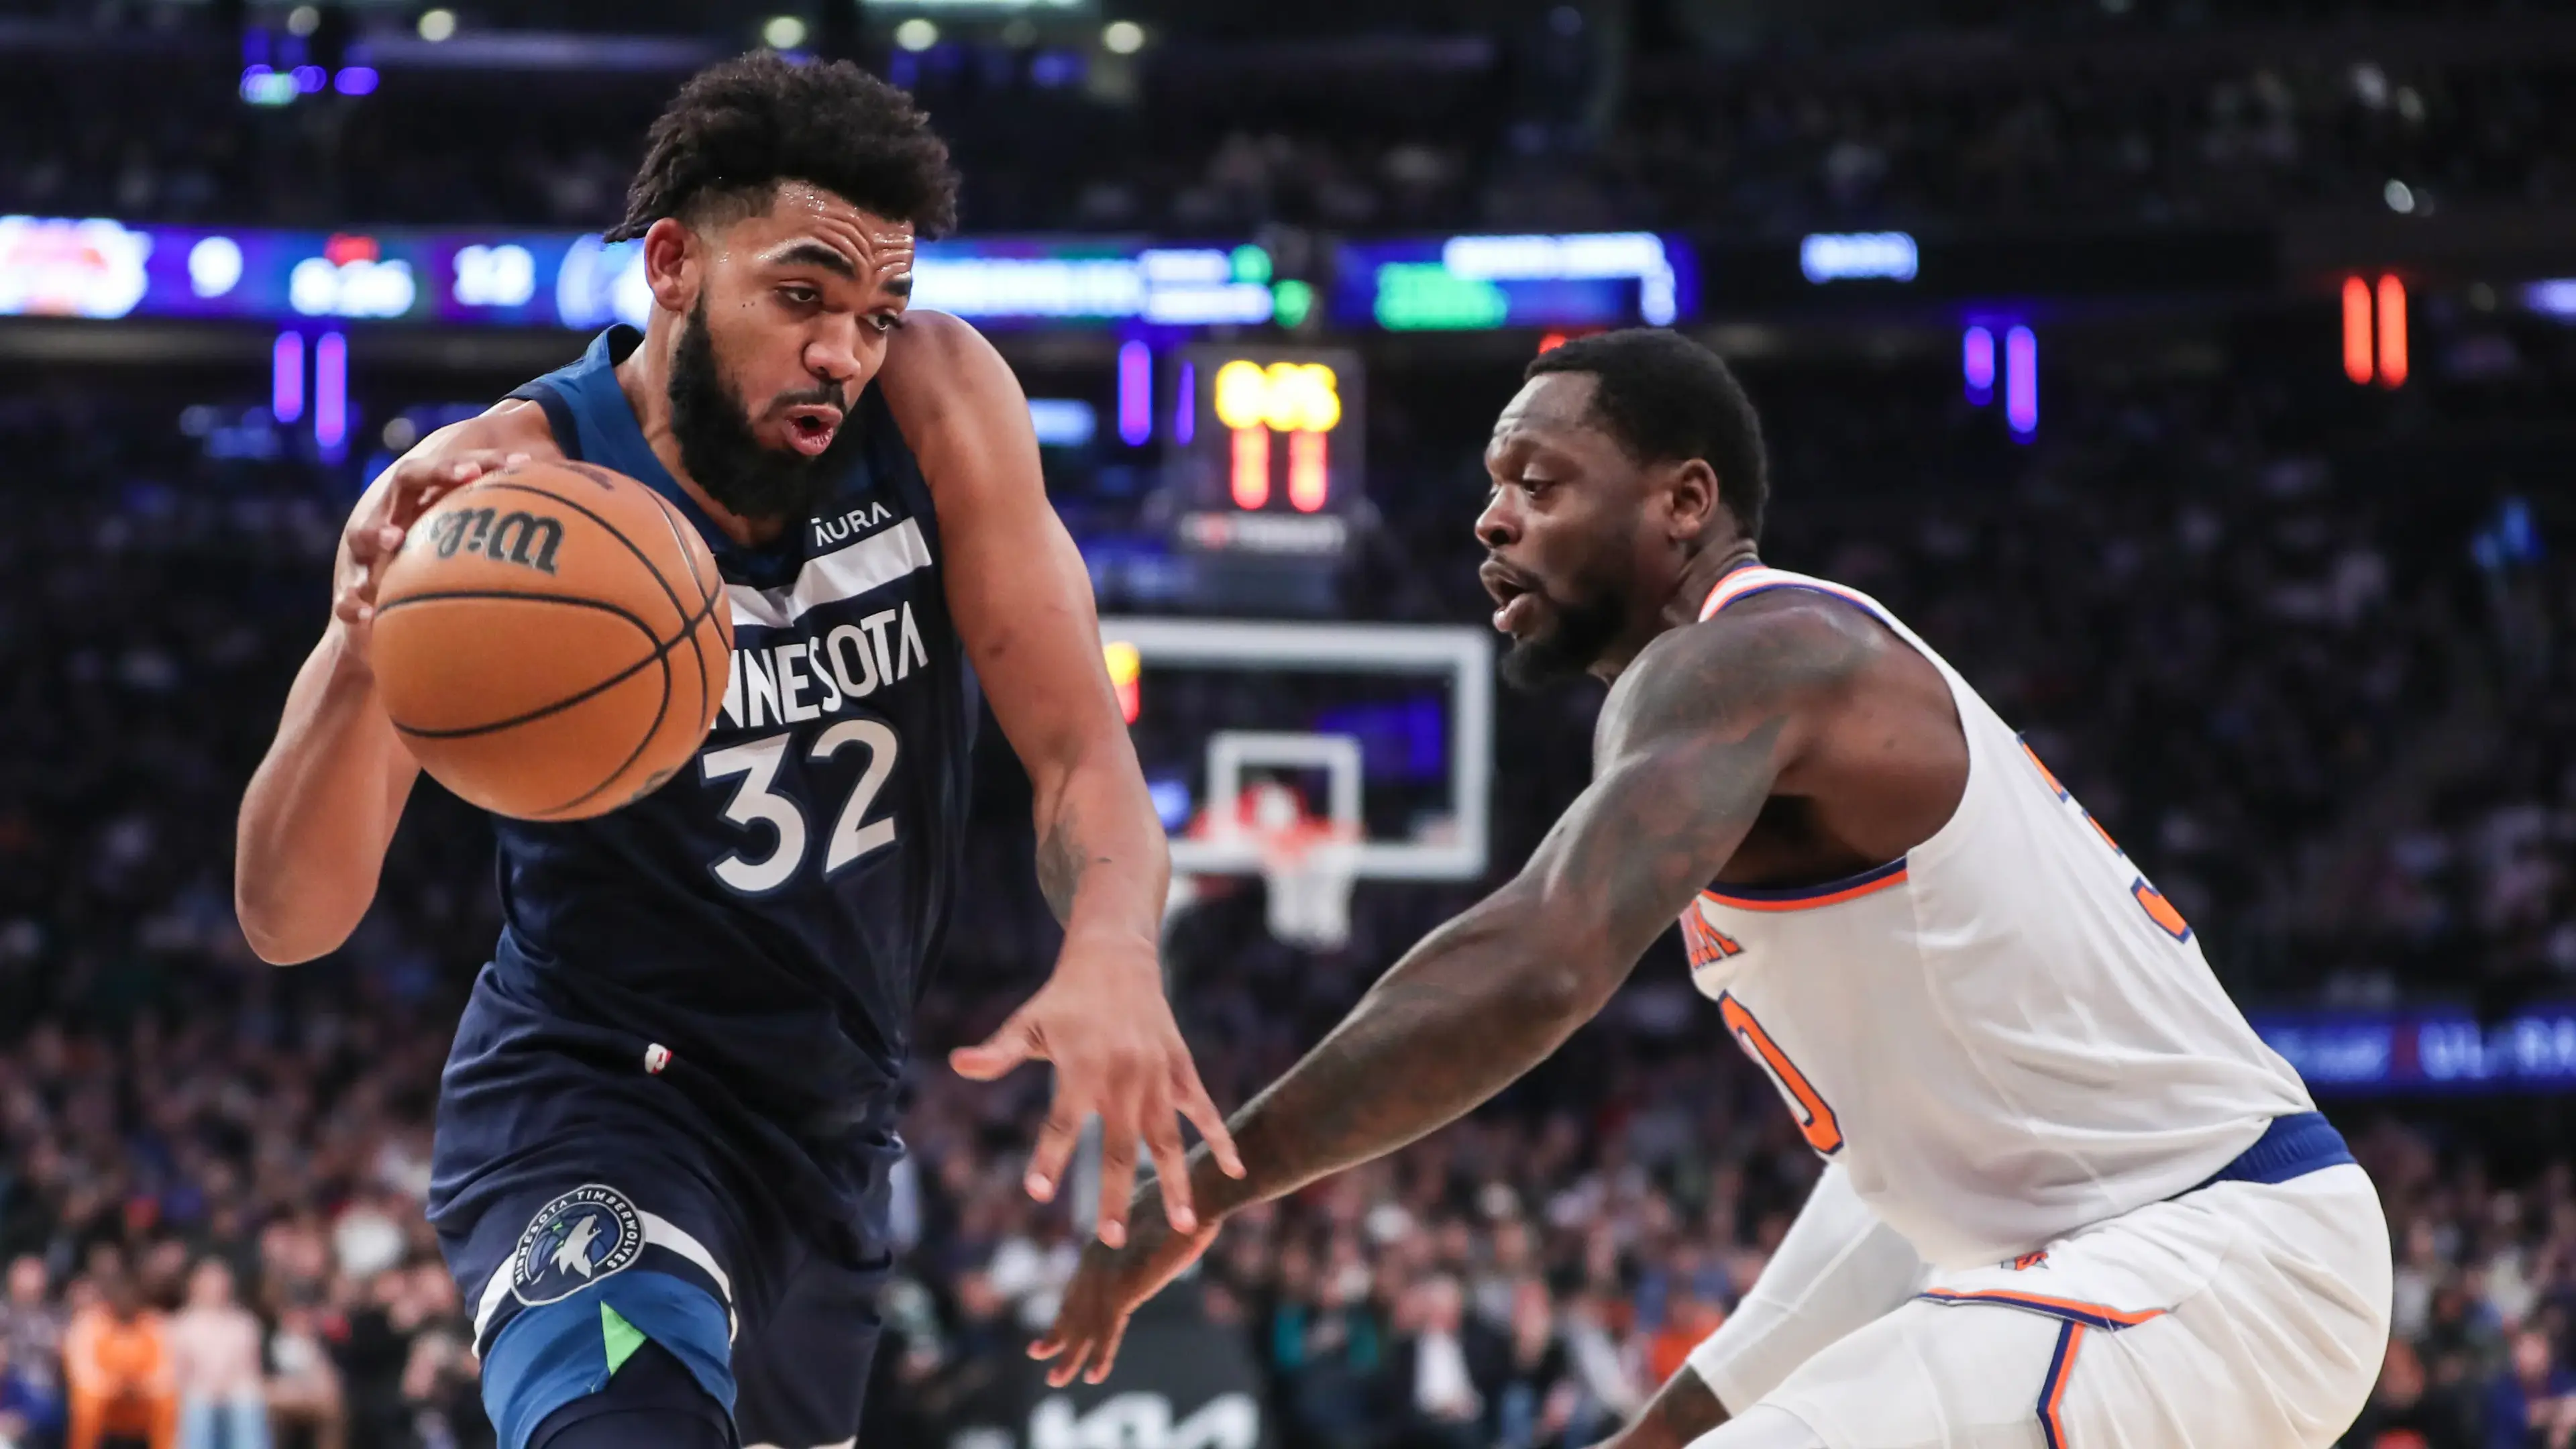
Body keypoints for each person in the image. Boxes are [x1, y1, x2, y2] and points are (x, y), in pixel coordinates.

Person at [1036, 327, 2394, 1448]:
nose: (1490, 515)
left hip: (2218, 1261)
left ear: (1684, 503)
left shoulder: (1756, 656)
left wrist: (1197, 1194)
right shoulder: (1734, 719)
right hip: (2151, 1263)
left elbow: (1538, 961)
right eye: (1494, 484)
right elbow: (1898, 1192)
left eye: (1539, 479)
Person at [234, 53, 1237, 1449]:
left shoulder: (937, 401)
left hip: (829, 1132)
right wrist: (360, 644)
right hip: (591, 1099)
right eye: (803, 296)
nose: (846, 349)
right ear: (672, 266)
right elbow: (289, 920)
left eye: (877, 312)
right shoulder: (505, 491)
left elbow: (1079, 757)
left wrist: (1119, 950)